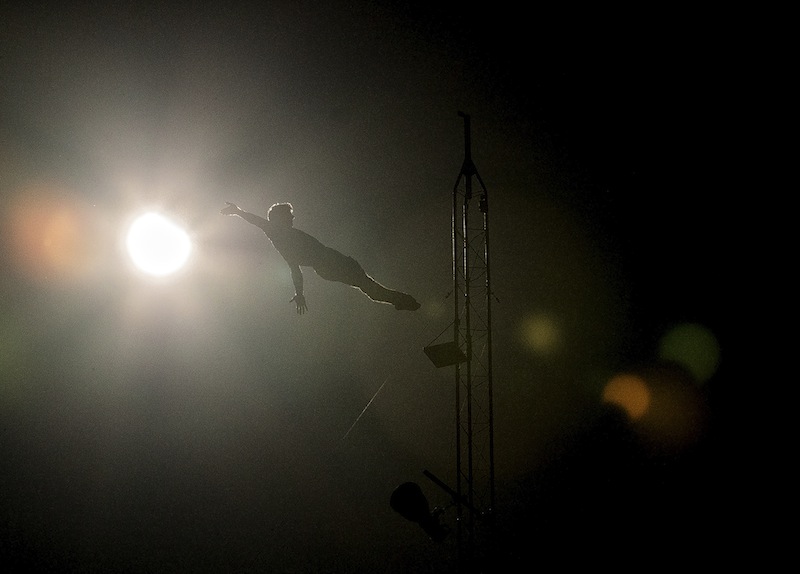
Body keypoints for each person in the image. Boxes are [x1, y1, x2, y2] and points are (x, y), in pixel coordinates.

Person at [221, 201, 420, 314]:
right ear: (279, 219)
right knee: (368, 286)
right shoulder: (277, 232)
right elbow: (258, 222)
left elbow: (295, 270)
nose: (292, 218)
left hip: (328, 264)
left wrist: (300, 293)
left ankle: (401, 300)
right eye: (289, 216)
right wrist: (238, 212)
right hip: (329, 263)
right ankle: (403, 300)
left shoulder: (282, 239)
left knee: (368, 288)